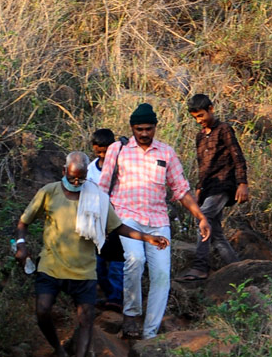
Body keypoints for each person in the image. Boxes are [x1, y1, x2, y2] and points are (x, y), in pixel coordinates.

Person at [15, 150, 169, 357]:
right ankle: (59, 350)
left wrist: (147, 237)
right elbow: (24, 221)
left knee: (86, 320)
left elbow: (118, 227)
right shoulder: (49, 192)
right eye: (73, 177)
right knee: (42, 310)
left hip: (84, 271)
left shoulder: (96, 196)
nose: (77, 182)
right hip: (51, 266)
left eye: (81, 178)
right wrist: (21, 245)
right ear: (64, 171)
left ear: (87, 174)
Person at [98, 104, 209, 340]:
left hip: (158, 221)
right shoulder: (118, 149)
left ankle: (150, 334)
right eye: (139, 129)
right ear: (132, 128)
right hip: (126, 217)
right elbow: (103, 186)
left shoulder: (166, 153)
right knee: (135, 259)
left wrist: (201, 217)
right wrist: (99, 220)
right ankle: (131, 315)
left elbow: (181, 190)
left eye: (149, 129)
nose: (144, 133)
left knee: (161, 275)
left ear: (156, 128)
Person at [178, 94, 248, 281]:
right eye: (195, 118)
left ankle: (200, 266)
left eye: (201, 115)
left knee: (203, 218)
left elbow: (237, 157)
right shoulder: (200, 136)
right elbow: (203, 165)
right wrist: (199, 188)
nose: (199, 121)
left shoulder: (224, 129)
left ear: (211, 109)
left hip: (224, 185)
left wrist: (242, 184)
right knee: (216, 232)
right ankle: (238, 270)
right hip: (208, 187)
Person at [87, 129, 124, 311]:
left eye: (106, 152)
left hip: (119, 220)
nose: (102, 155)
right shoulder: (91, 169)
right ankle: (109, 293)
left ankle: (116, 298)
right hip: (98, 222)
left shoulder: (121, 166)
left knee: (118, 264)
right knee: (99, 264)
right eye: (98, 151)